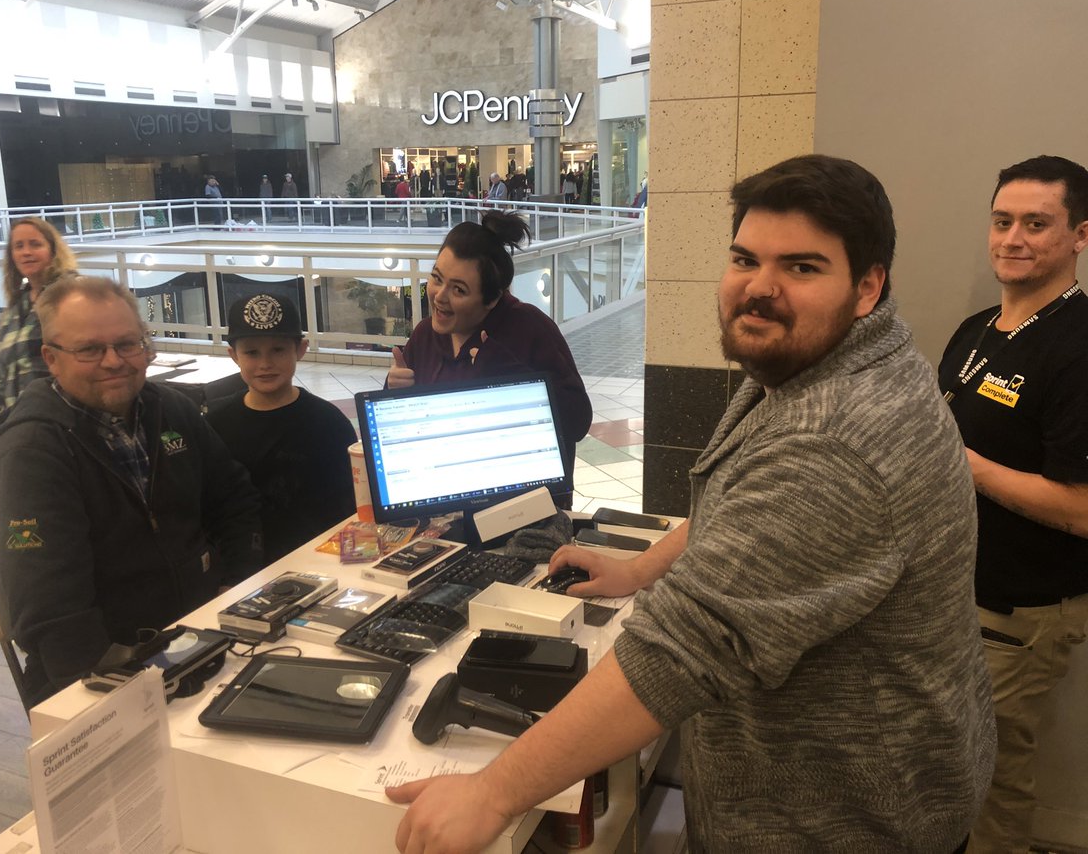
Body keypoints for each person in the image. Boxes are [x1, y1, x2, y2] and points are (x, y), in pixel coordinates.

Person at [389, 155, 996, 854]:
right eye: (745, 259)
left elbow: (678, 654)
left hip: (836, 826)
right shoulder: (822, 364)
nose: (759, 288)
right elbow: (742, 506)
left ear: (868, 286)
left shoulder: (836, 441)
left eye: (802, 267)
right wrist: (640, 569)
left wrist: (492, 793)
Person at [0, 276, 263, 708]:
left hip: (199, 641)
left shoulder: (171, 410)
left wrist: (238, 591)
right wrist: (127, 700)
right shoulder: (29, 455)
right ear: (51, 358)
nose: (114, 361)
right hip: (104, 677)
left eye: (127, 344)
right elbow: (53, 612)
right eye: (90, 349)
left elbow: (234, 499)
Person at [938, 155, 1088, 854]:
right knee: (947, 768)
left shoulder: (1079, 346)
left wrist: (962, 464)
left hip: (1018, 610)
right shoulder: (976, 330)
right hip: (953, 592)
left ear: (1080, 234)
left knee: (993, 779)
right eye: (1002, 221)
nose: (1013, 239)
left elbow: (1081, 510)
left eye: (1036, 223)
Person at [386, 211, 591, 489]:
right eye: (437, 278)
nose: (439, 296)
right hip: (444, 493)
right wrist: (394, 394)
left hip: (522, 502)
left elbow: (578, 422)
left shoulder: (529, 329)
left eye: (459, 290)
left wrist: (513, 378)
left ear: (492, 299)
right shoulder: (425, 336)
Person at [207, 292, 356, 561]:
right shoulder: (214, 425)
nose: (265, 364)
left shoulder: (328, 424)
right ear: (234, 355)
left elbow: (348, 506)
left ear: (300, 349)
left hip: (320, 561)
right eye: (252, 352)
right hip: (240, 567)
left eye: (278, 350)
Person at [0, 218, 78, 441]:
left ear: (53, 250)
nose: (26, 252)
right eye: (19, 246)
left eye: (35, 244)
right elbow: (3, 373)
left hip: (63, 427)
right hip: (22, 427)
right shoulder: (17, 305)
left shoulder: (72, 294)